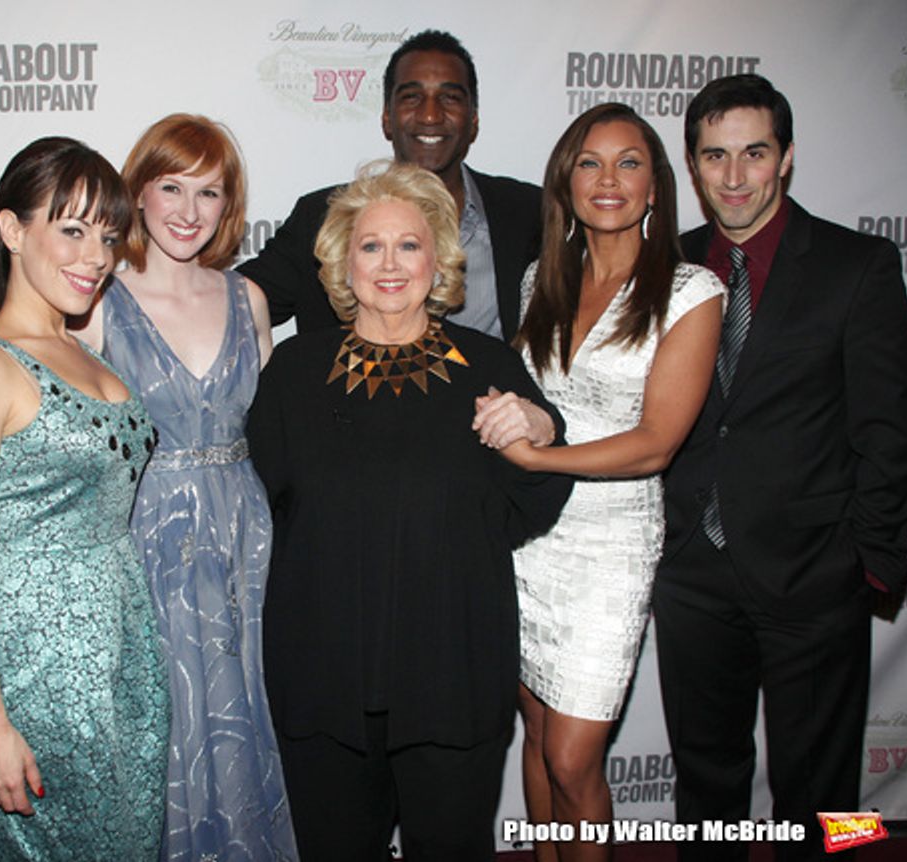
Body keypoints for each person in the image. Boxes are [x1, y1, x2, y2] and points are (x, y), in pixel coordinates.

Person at [246, 160, 573, 862]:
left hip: (452, 674)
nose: (388, 265)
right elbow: (258, 512)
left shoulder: (491, 367)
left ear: (440, 259)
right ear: (341, 262)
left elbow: (533, 503)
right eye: (370, 246)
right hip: (322, 675)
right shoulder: (293, 374)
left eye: (408, 245)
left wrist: (543, 430)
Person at [652, 74, 907, 861]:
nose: (734, 177)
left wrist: (867, 565)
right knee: (705, 784)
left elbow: (891, 429)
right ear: (693, 167)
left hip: (815, 575)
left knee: (827, 792)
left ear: (787, 159)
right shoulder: (664, 267)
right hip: (693, 572)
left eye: (754, 154)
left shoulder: (857, 265)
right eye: (715, 156)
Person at [474, 103, 723, 862]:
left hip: (609, 548)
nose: (607, 180)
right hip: (529, 542)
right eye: (589, 163)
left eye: (629, 162)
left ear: (656, 186)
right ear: (566, 182)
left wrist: (540, 459)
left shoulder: (692, 290)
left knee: (576, 758)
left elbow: (655, 444)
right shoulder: (538, 281)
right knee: (541, 736)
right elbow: (534, 404)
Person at [0, 137, 169, 860]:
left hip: (122, 654)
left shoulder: (83, 350)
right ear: (12, 230)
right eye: (71, 230)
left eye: (107, 236)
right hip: (37, 669)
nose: (96, 256)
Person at [85, 114, 297, 861]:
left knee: (245, 712)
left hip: (243, 538)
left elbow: (269, 429)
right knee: (163, 726)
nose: (187, 209)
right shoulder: (97, 301)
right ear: (136, 192)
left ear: (229, 204)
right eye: (170, 185)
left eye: (208, 192)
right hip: (146, 541)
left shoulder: (249, 300)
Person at [238, 28, 542, 342]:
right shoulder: (321, 217)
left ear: (474, 119)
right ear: (386, 118)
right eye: (412, 97)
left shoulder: (528, 213)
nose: (430, 115)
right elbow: (233, 305)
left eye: (449, 98)